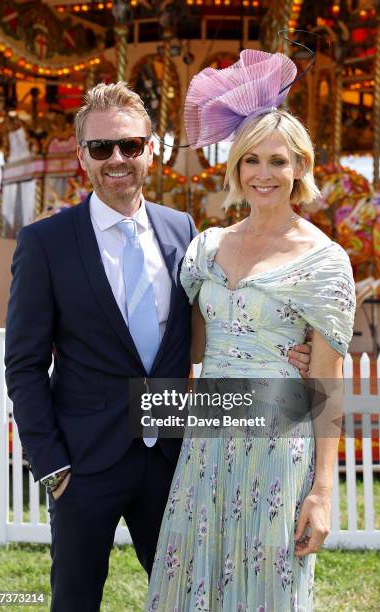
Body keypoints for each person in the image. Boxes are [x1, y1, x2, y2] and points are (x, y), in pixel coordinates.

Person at [4, 81, 311, 612]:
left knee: (187, 599)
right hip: (84, 465)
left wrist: (282, 347)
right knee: (73, 601)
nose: (116, 159)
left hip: (173, 461)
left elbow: (207, 329)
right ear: (82, 157)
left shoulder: (183, 231)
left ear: (151, 150)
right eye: (102, 148)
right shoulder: (45, 244)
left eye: (129, 145)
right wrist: (51, 465)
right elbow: (24, 364)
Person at [145, 50, 356, 611]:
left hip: (277, 446)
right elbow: (189, 347)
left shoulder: (325, 261)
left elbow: (329, 390)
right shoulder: (206, 247)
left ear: (300, 169)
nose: (264, 174)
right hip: (207, 443)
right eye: (252, 160)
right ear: (236, 167)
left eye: (279, 162)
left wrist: (322, 495)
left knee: (266, 590)